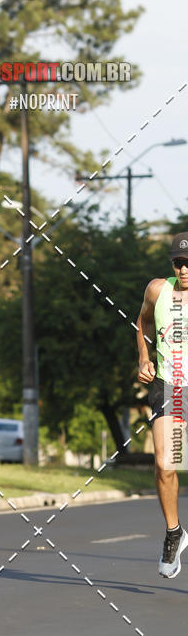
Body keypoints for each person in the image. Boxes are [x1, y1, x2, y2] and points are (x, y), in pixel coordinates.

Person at [137, 231, 188, 578]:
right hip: (169, 386)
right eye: (178, 263)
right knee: (165, 463)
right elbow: (142, 322)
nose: (183, 270)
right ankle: (174, 532)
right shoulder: (158, 290)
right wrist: (144, 357)